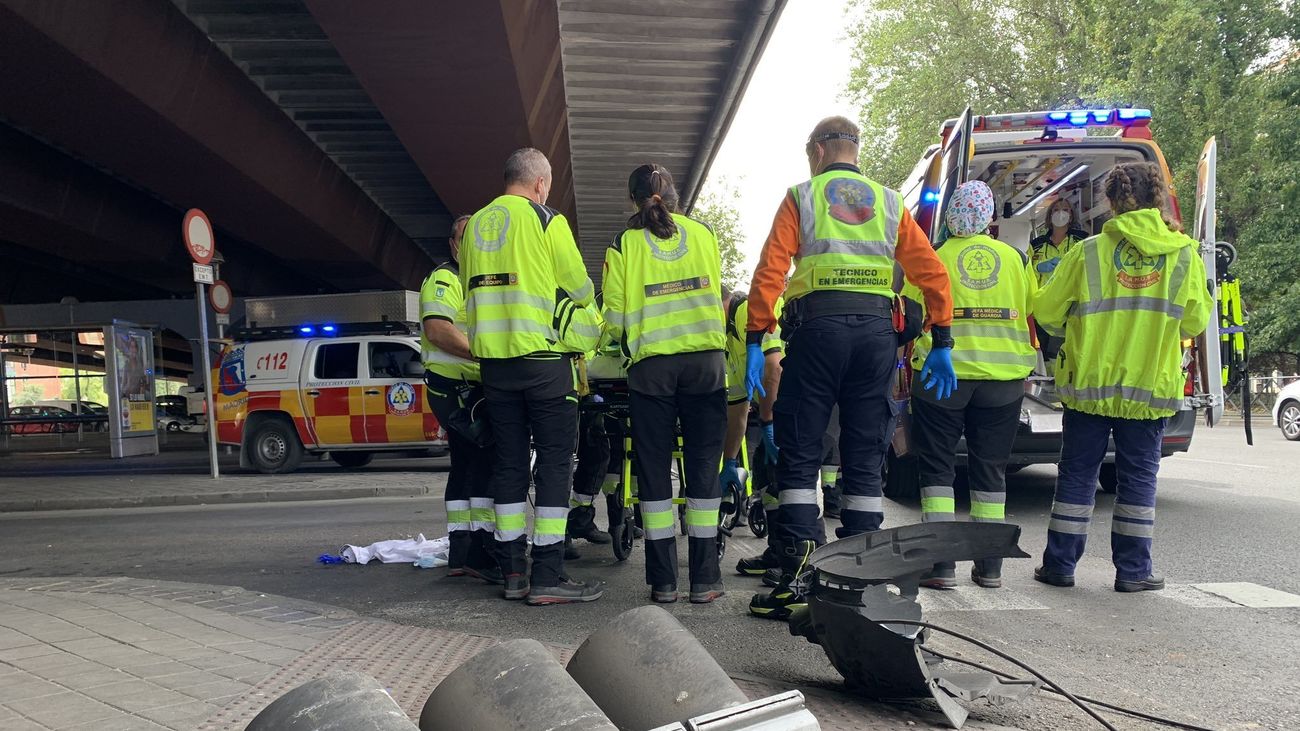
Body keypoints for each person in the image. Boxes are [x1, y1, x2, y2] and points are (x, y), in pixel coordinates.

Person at [745, 116, 956, 619]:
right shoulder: (888, 202)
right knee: (864, 454)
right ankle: (859, 584)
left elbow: (770, 270)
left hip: (817, 332)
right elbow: (932, 271)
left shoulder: (802, 197)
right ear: (854, 150)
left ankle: (798, 579)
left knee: (800, 453)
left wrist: (756, 337)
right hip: (876, 338)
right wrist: (942, 338)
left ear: (817, 151)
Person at [1033, 162, 1213, 593]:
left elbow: (1046, 310)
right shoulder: (1183, 253)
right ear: (1157, 198)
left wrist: (1073, 330)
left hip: (1089, 387)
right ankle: (1133, 572)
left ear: (1109, 201)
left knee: (1076, 476)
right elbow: (1194, 321)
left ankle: (1060, 566)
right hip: (1148, 389)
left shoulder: (1088, 251)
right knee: (1138, 481)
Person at [461, 148, 603, 606]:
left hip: (494, 368)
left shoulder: (475, 226)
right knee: (556, 466)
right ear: (540, 184)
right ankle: (548, 574)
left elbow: (470, 294)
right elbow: (580, 288)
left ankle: (513, 573)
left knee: (509, 465)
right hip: (545, 365)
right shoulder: (546, 220)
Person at [903, 181, 1038, 590]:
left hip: (942, 378)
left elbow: (911, 314)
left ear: (951, 215)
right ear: (990, 218)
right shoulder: (1014, 257)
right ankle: (990, 566)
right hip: (1003, 382)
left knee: (938, 470)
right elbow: (1033, 308)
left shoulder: (933, 256)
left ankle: (941, 566)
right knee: (990, 471)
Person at [602, 163, 727, 604]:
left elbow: (614, 317)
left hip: (651, 371)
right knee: (702, 469)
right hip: (706, 365)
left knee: (654, 473)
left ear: (633, 200)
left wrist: (612, 349)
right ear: (673, 197)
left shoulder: (623, 244)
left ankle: (663, 583)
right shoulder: (704, 234)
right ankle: (706, 579)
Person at [419, 214, 502, 584]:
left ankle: (463, 551)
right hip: (454, 388)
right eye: (464, 238)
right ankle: (478, 552)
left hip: (472, 388)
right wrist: (485, 356)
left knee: (467, 464)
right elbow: (437, 329)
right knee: (481, 462)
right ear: (453, 245)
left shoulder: (479, 283)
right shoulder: (445, 279)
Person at [721, 287, 784, 576]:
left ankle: (793, 558)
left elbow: (774, 369)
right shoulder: (729, 339)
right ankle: (780, 551)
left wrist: (769, 425)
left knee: (788, 479)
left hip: (790, 401)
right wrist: (730, 461)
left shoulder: (748, 311)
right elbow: (737, 408)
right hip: (772, 408)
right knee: (765, 474)